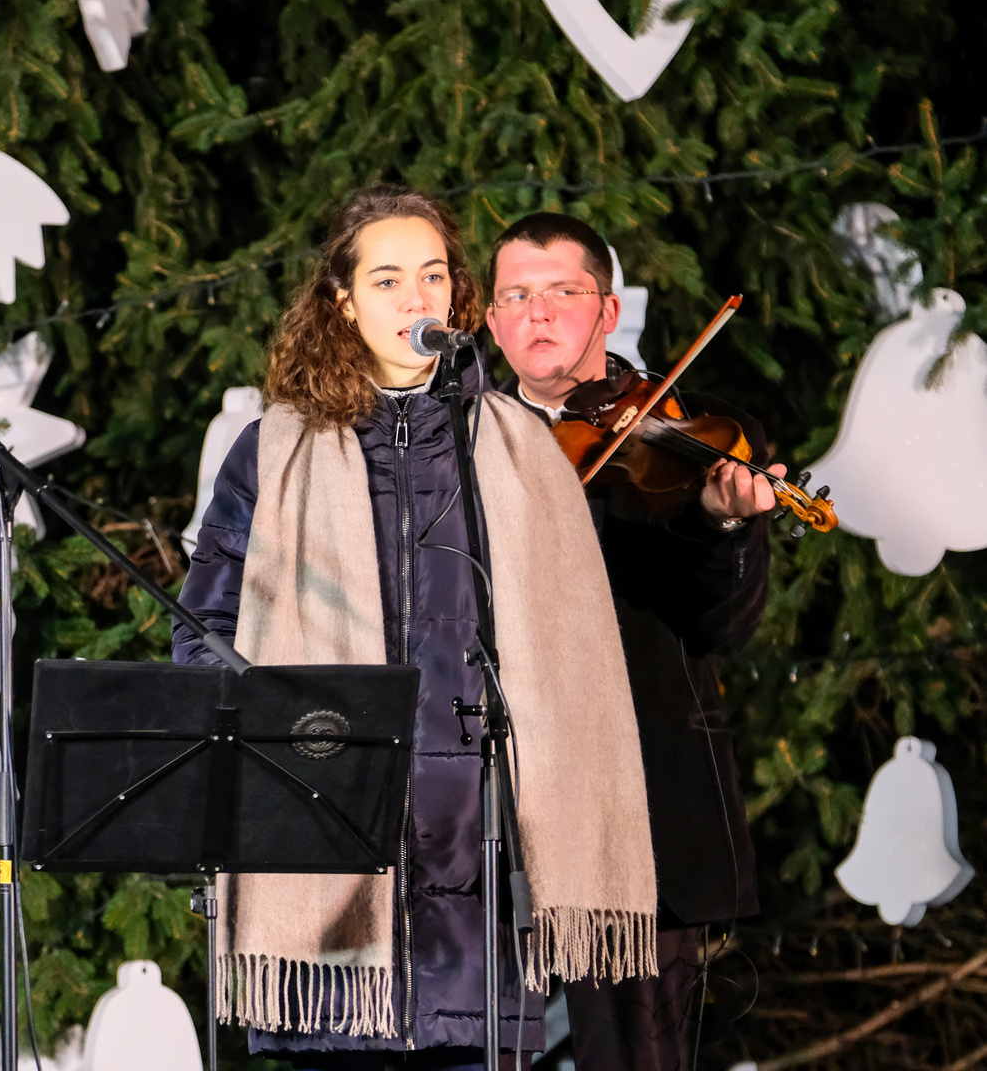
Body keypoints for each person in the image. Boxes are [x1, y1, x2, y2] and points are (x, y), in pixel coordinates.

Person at [174, 186, 661, 1070]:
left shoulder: (516, 445)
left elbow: (573, 653)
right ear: (343, 303)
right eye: (388, 279)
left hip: (479, 861)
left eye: (433, 276)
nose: (416, 298)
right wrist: (276, 732)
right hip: (325, 842)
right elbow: (203, 625)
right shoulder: (273, 449)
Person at [483, 213, 774, 1071]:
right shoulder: (460, 443)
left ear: (608, 312)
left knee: (634, 1057)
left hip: (638, 809)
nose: (538, 313)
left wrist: (719, 526)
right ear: (492, 322)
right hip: (493, 811)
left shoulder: (690, 438)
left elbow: (723, 626)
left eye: (562, 292)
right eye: (516, 297)